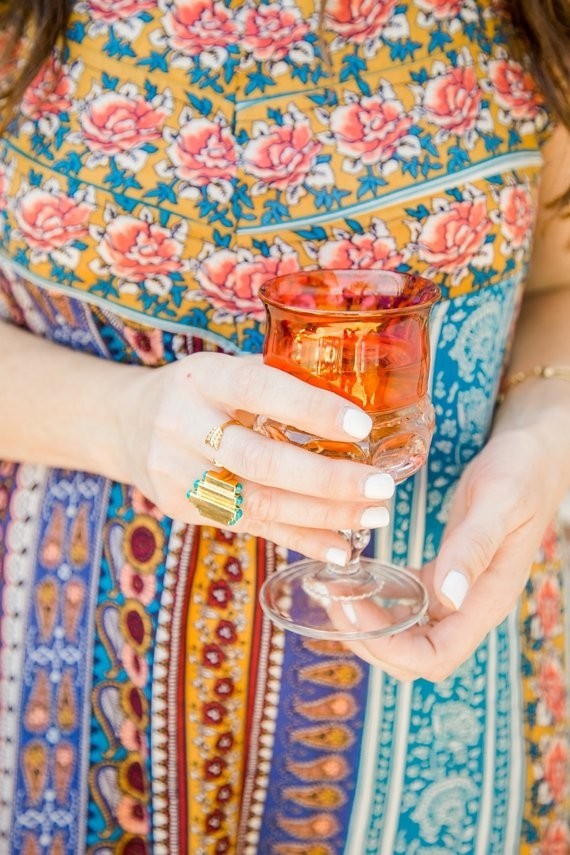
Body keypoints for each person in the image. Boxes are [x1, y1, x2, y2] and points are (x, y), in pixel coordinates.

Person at [0, 0, 568, 852]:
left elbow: (558, 281)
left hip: (449, 690)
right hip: (73, 689)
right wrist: (121, 420)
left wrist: (544, 430)